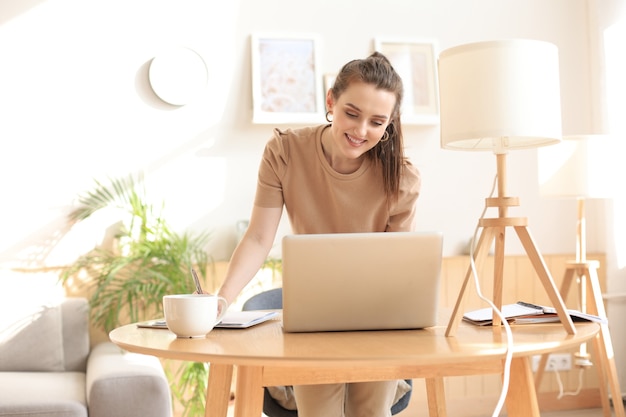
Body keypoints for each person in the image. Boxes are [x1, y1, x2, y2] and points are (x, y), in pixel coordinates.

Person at [217, 51, 421, 417]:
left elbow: (399, 265)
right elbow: (259, 238)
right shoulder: (284, 151)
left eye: (377, 122)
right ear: (331, 101)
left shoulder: (401, 176)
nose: (361, 132)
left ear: (390, 123)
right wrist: (221, 299)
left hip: (378, 319)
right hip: (312, 317)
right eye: (352, 114)